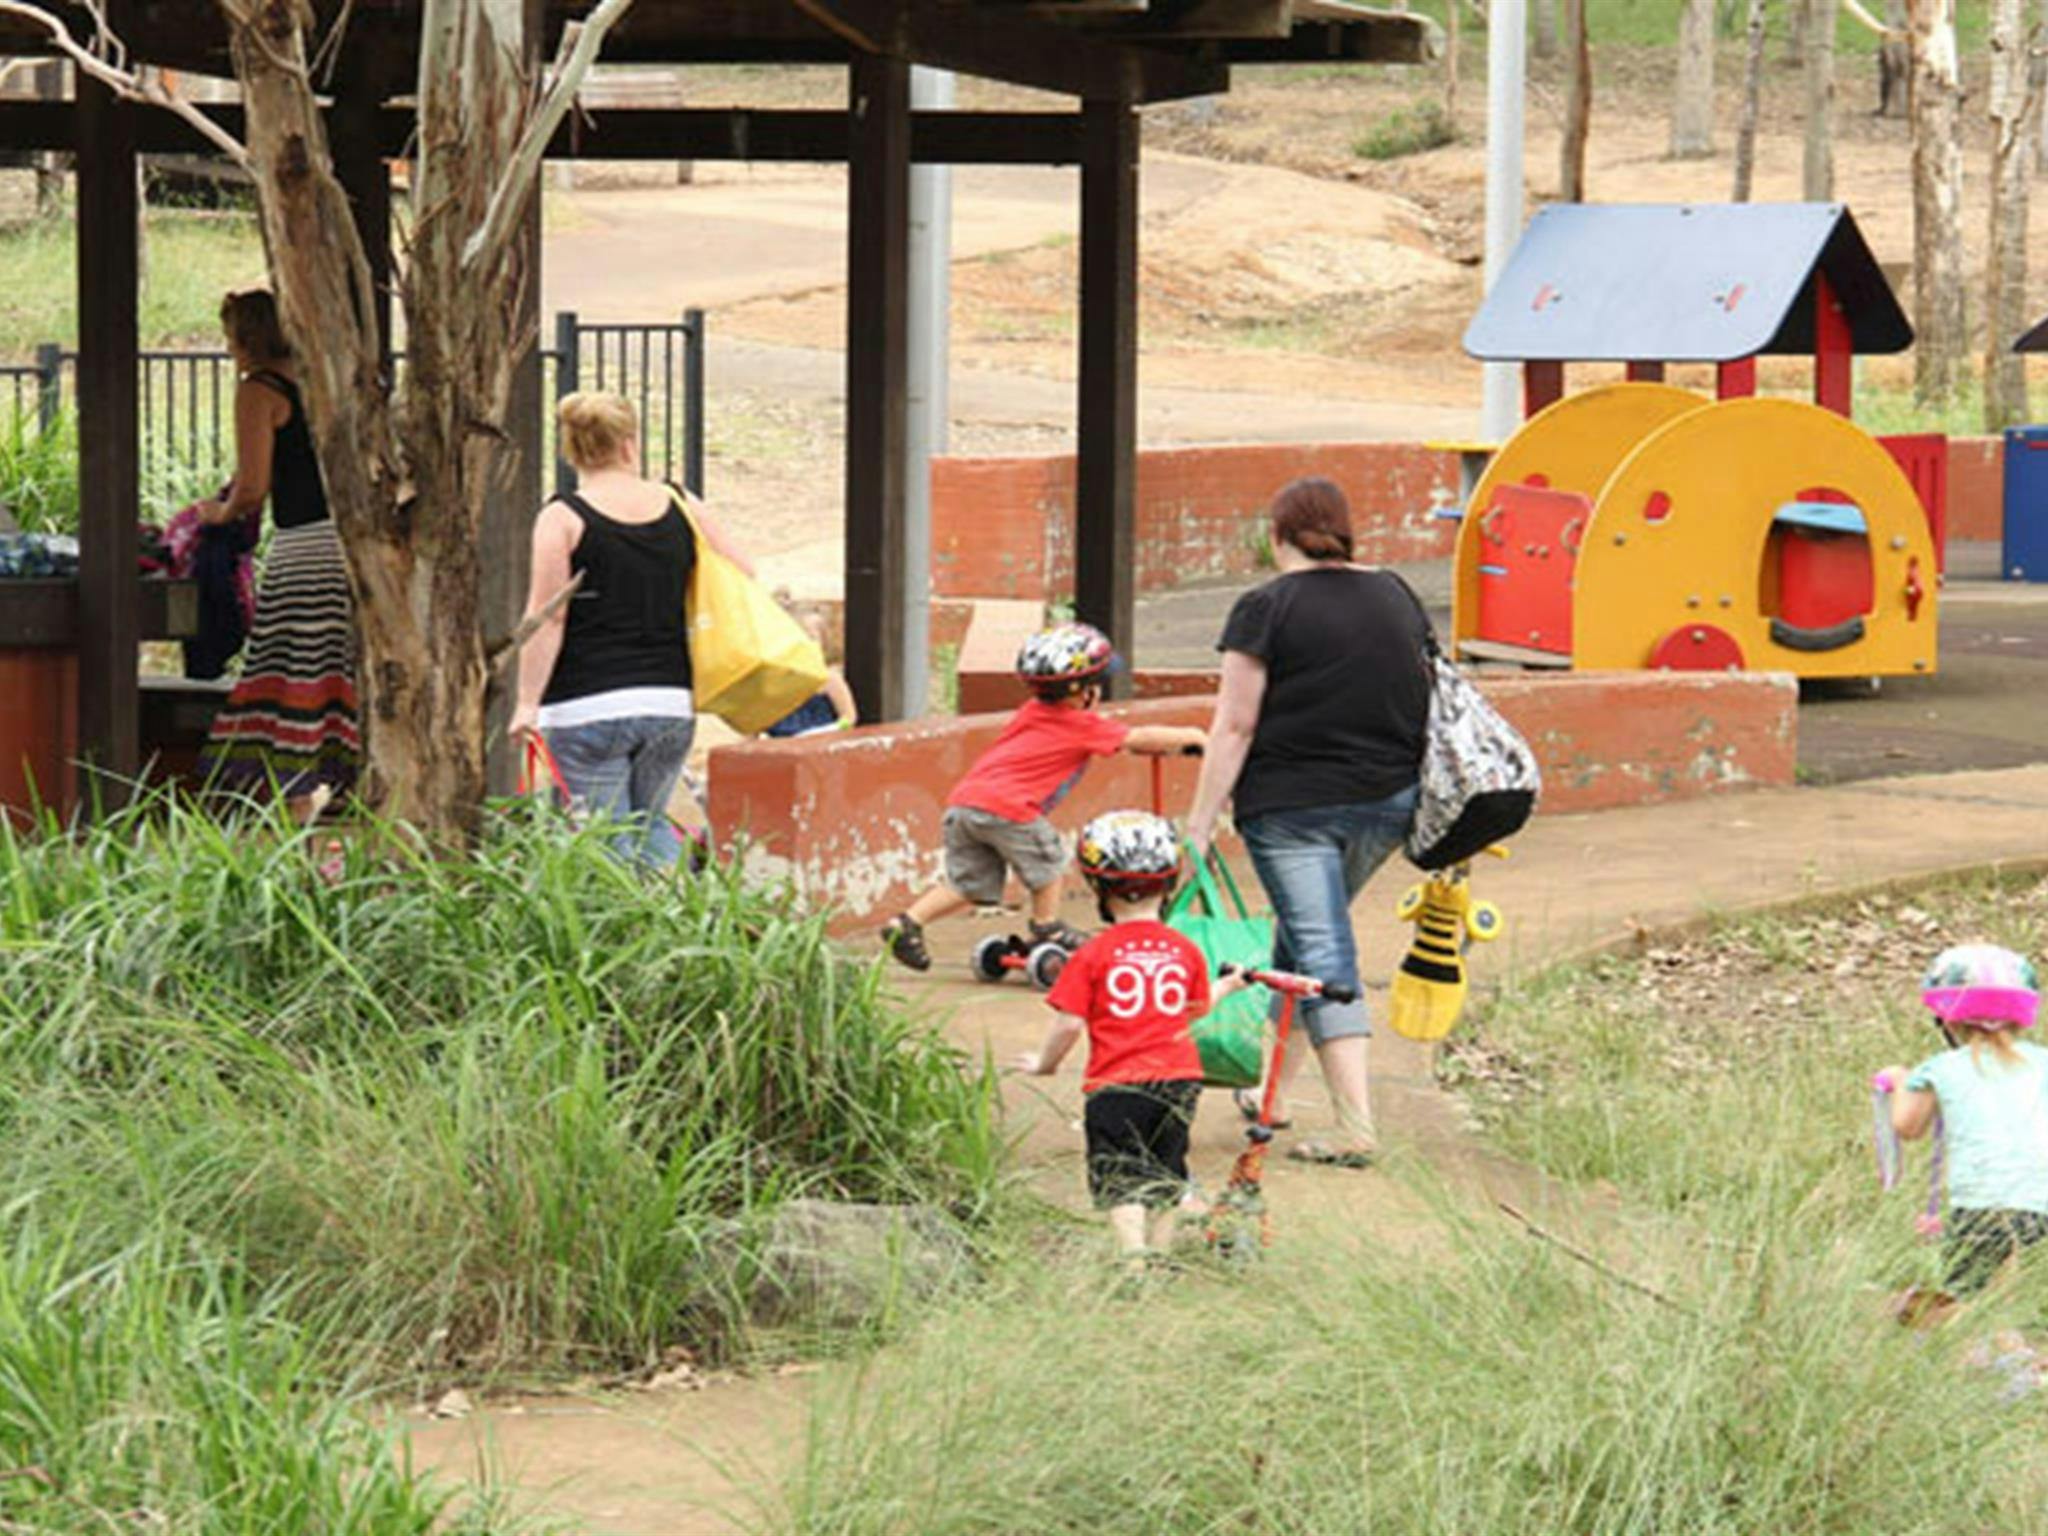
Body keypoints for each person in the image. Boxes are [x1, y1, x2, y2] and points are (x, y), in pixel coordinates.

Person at [1184, 477, 1432, 1168]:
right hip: (1390, 803)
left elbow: (1234, 726)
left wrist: (1198, 825)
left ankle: (1357, 1127)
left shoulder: (1264, 606)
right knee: (1302, 937)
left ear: (1276, 534)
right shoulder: (1395, 593)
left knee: (1322, 952)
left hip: (1291, 810)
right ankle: (1273, 1097)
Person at [509, 390, 754, 868]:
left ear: (571, 448)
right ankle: (680, 925)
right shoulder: (682, 504)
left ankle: (619, 936)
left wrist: (526, 702)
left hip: (585, 706)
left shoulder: (561, 518)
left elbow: (548, 616)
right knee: (650, 826)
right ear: (630, 443)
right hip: (669, 702)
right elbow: (742, 575)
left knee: (602, 845)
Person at [879, 622, 1206, 971]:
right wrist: (1196, 737)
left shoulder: (1031, 713)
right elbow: (1139, 737)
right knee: (1049, 862)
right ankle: (1047, 927)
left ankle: (907, 923)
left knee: (968, 884)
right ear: (1083, 692)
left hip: (965, 805)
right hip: (1010, 809)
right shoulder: (1079, 724)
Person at [1014, 809, 1244, 1262]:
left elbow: (1069, 1022)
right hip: (1180, 1080)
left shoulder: (1093, 953)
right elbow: (1194, 1009)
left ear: (1099, 886)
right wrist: (1229, 985)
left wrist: (1046, 1063)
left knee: (1119, 1170)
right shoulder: (1186, 950)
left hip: (1116, 1083)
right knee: (1167, 1168)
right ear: (1169, 882)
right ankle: (1162, 1252)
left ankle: (1134, 1256)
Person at [196, 289, 359, 821]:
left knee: (287, 666)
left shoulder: (259, 391)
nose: (228, 349)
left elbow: (252, 488)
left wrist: (214, 514)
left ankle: (290, 789)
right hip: (350, 543)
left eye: (231, 337)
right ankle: (344, 781)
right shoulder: (324, 380)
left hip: (302, 546)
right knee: (337, 665)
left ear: (248, 338)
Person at [1879, 944, 2047, 1296]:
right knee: (2030, 1301)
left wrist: (1898, 1081)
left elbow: (1907, 1127)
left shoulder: (1940, 1069)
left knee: (1967, 1299)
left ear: (1946, 1016)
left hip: (1979, 1209)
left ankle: (1990, 1348)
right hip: (2041, 1207)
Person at [763, 611, 858, 738]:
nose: (807, 644)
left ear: (823, 642)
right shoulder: (776, 681)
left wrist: (827, 730)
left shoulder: (830, 679)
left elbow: (850, 718)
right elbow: (755, 726)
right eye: (801, 638)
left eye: (812, 638)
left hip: (821, 747)